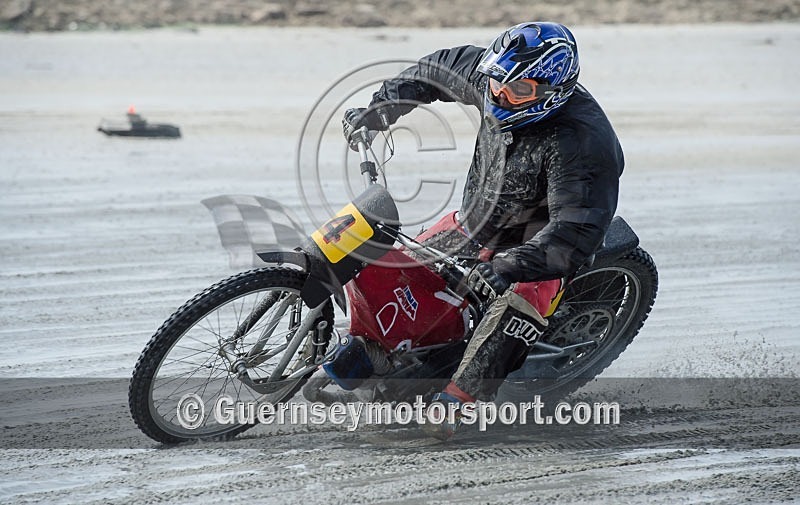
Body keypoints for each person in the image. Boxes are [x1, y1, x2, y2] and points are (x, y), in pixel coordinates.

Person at [342, 22, 624, 439]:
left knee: (516, 310)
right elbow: (435, 70)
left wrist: (511, 266)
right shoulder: (499, 77)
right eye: (496, 84)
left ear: (555, 89)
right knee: (400, 272)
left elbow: (574, 231)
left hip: (537, 250)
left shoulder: (583, 144)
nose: (501, 96)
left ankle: (458, 403)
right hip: (474, 222)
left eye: (519, 92)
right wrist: (380, 111)